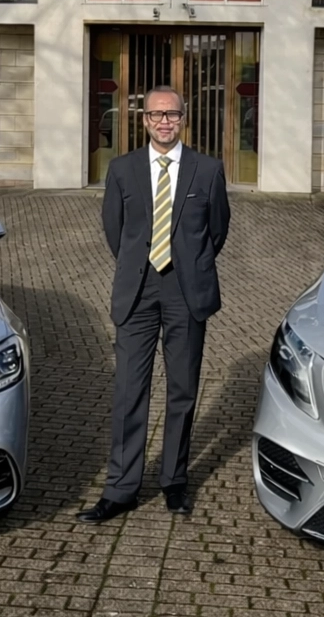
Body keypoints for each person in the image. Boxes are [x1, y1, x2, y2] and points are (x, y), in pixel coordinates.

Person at [78, 85, 231, 522]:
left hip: (186, 292)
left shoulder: (208, 170)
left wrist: (189, 265)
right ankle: (121, 488)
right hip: (138, 290)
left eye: (172, 114)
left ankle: (174, 481)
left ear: (184, 118)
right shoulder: (122, 170)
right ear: (144, 120)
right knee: (129, 390)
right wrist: (140, 265)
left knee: (182, 390)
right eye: (156, 114)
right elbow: (116, 231)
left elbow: (216, 231)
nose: (165, 122)